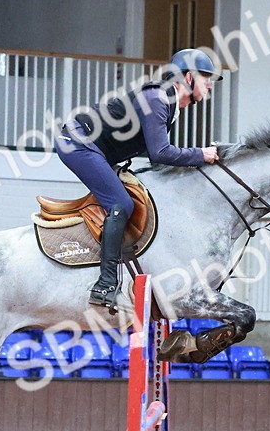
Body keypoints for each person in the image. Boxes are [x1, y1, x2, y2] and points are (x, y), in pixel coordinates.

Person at [54, 48, 221, 308]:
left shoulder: (169, 102)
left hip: (93, 146)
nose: (210, 85)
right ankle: (106, 283)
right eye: (206, 78)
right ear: (188, 78)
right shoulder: (158, 98)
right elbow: (160, 153)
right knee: (122, 204)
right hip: (77, 143)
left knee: (133, 196)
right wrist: (201, 154)